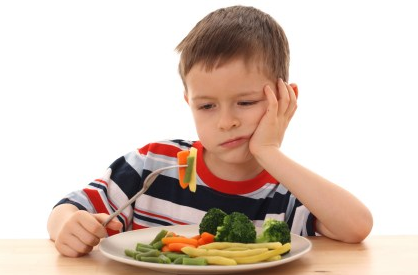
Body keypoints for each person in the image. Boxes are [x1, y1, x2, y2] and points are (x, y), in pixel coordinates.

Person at [47, 5, 373, 257]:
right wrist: (68, 226)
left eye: (245, 102)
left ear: (284, 98)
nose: (225, 121)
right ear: (189, 102)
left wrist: (268, 151)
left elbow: (356, 226)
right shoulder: (151, 164)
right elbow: (68, 208)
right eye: (207, 106)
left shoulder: (288, 192)